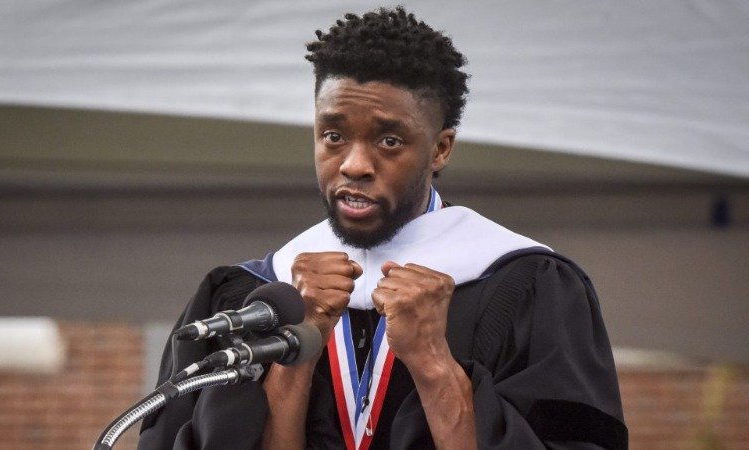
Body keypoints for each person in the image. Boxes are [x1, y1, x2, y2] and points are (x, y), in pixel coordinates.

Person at [138, 6, 627, 449]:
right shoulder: (255, 297)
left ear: (440, 149)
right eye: (332, 136)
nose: (354, 164)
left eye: (389, 141)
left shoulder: (528, 286)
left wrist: (434, 362)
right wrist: (294, 350)